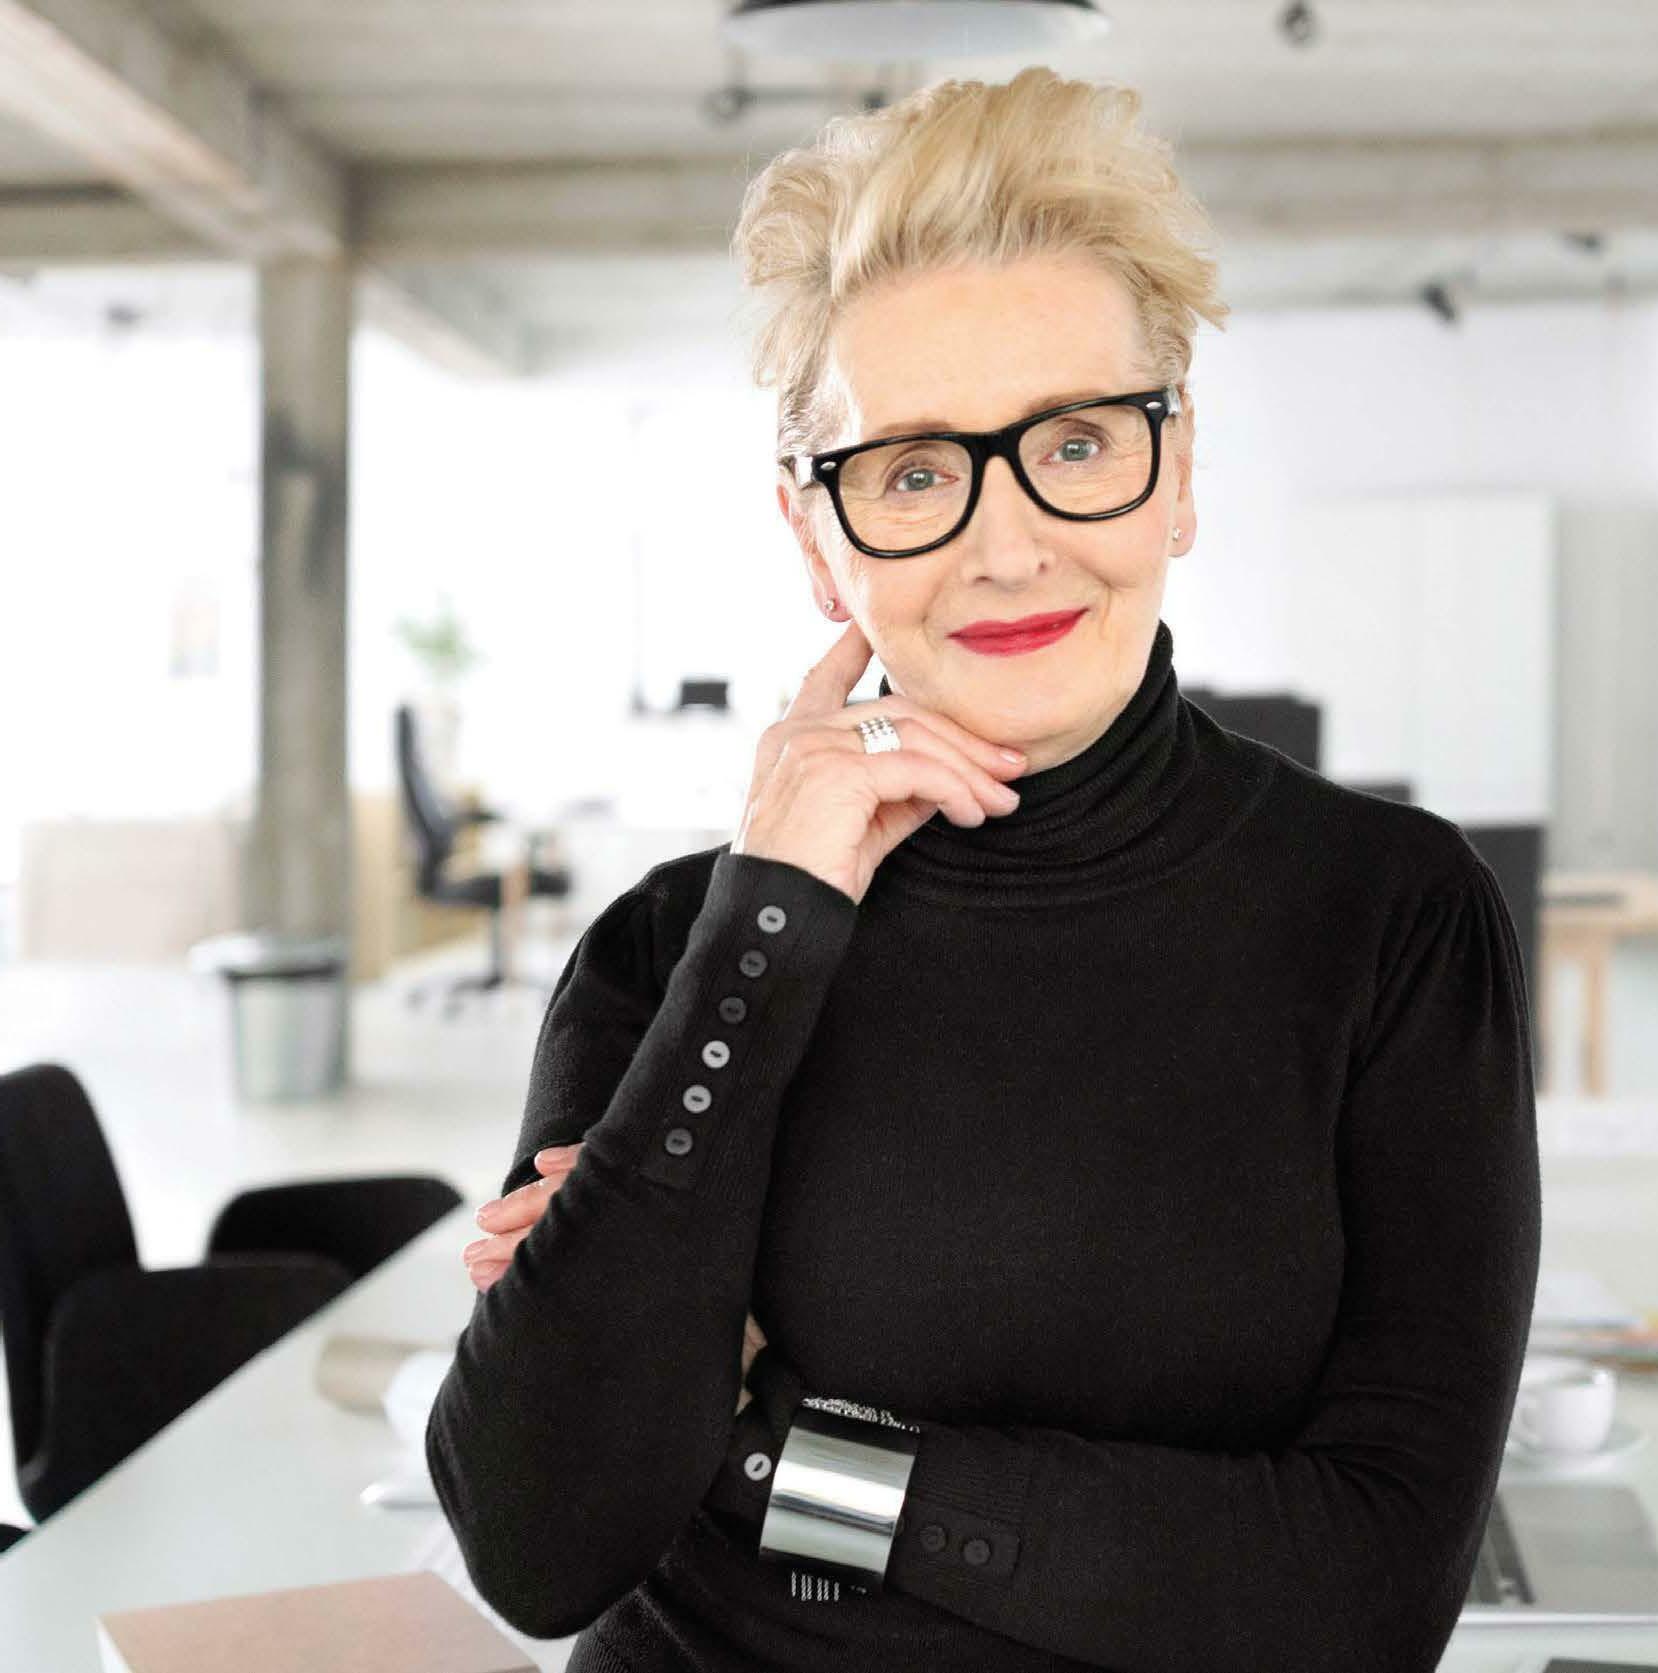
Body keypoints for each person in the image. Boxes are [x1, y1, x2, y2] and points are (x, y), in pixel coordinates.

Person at [421, 65, 1542, 1673]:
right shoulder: (681, 944)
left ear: (1177, 475)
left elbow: (1367, 1602)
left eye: (1076, 442)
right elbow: (541, 1541)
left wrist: (766, 1451)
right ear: (817, 541)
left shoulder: (1393, 919)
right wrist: (765, 929)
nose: (1008, 546)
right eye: (913, 471)